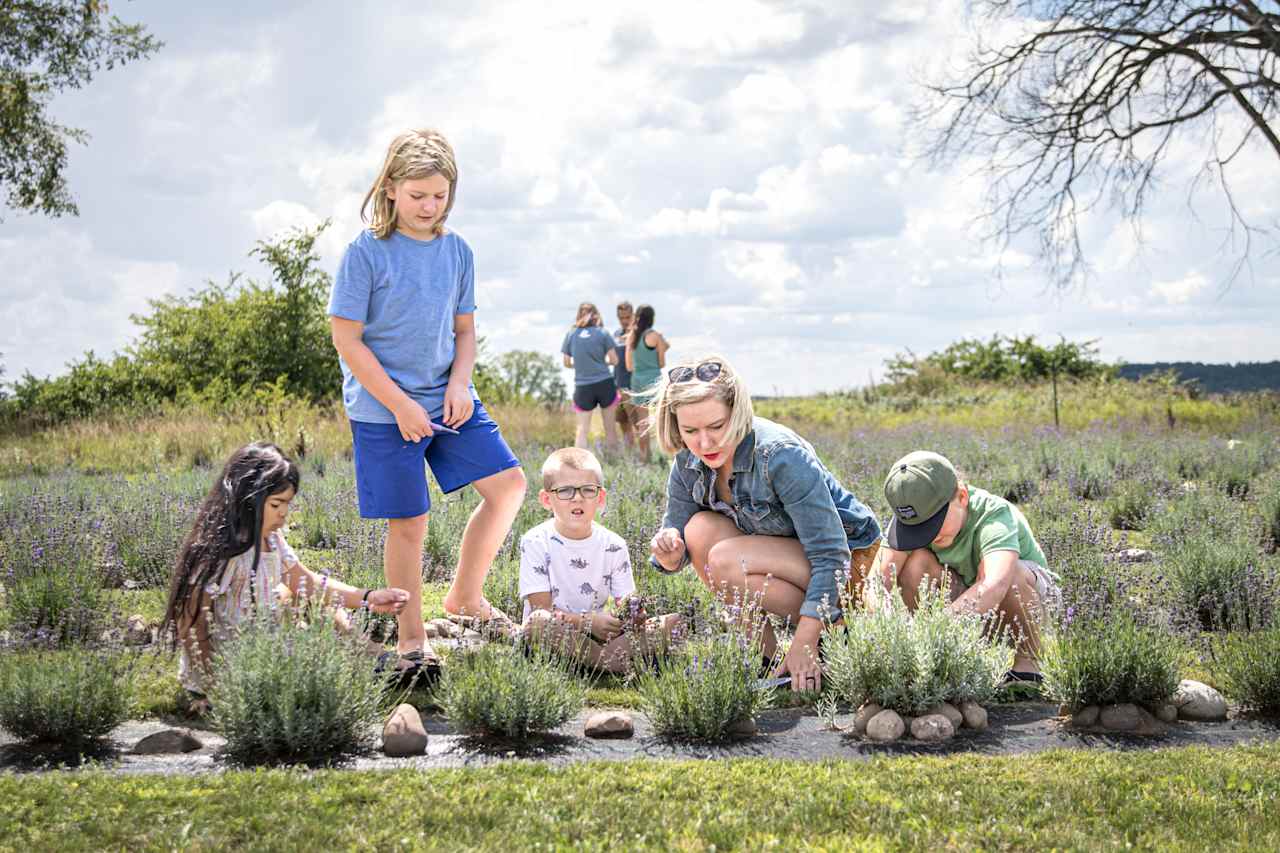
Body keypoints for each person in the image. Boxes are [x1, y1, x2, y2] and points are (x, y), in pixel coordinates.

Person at [328, 128, 528, 672]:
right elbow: (347, 339)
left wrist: (460, 384)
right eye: (418, 196)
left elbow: (465, 332)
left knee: (508, 485)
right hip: (383, 408)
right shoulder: (365, 253)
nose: (429, 206)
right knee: (410, 521)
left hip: (448, 398)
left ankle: (464, 597)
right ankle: (411, 640)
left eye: (440, 196)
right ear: (390, 188)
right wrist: (400, 406)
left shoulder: (458, 251)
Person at [647, 355, 881, 693]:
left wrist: (804, 639)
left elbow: (832, 554)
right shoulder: (688, 461)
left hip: (846, 564)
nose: (704, 443)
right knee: (698, 531)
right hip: (787, 561)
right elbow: (677, 529)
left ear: (738, 413)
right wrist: (669, 551)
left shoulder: (780, 454)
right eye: (690, 430)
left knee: (725, 559)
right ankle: (771, 662)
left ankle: (834, 634)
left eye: (716, 426)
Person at [162, 443, 411, 715]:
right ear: (246, 498)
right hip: (230, 663)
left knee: (307, 595)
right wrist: (216, 687)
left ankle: (368, 654)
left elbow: (309, 583)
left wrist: (368, 597)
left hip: (266, 647)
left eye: (287, 504)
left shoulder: (270, 539)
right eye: (276, 504)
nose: (283, 513)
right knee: (294, 605)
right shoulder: (221, 553)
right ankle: (364, 663)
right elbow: (191, 623)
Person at [876, 450, 1061, 684]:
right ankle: (939, 662)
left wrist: (933, 629)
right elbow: (876, 581)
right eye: (917, 530)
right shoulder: (915, 512)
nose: (928, 536)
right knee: (914, 564)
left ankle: (1028, 664)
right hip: (968, 610)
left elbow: (994, 584)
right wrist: (890, 625)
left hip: (1029, 608)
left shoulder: (994, 514)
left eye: (933, 525)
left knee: (1010, 573)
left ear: (962, 496)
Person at [520, 447, 684, 673]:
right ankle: (612, 662)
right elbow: (541, 608)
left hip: (599, 633)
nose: (577, 497)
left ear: (600, 498)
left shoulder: (613, 544)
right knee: (539, 622)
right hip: (559, 631)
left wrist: (633, 614)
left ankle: (595, 661)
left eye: (588, 490)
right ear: (546, 499)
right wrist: (587, 622)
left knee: (676, 622)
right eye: (565, 491)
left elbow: (625, 599)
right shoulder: (535, 541)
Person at [561, 302, 620, 451]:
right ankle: (615, 462)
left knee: (582, 430)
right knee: (610, 428)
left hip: (583, 386)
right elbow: (614, 360)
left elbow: (566, 362)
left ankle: (578, 465)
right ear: (596, 315)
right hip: (604, 383)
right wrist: (600, 363)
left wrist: (581, 365)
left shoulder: (571, 334)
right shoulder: (603, 333)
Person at [624, 304, 668, 462]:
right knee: (664, 418)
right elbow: (662, 363)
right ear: (652, 319)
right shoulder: (655, 336)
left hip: (637, 380)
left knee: (643, 422)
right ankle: (668, 453)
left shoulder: (631, 337)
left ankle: (645, 457)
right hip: (654, 380)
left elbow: (629, 366)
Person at [611, 301, 636, 451]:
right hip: (618, 385)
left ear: (633, 315)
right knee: (622, 421)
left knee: (636, 422)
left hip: (633, 386)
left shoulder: (638, 335)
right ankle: (630, 453)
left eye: (627, 317)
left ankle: (643, 457)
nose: (624, 321)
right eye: (621, 318)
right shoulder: (616, 334)